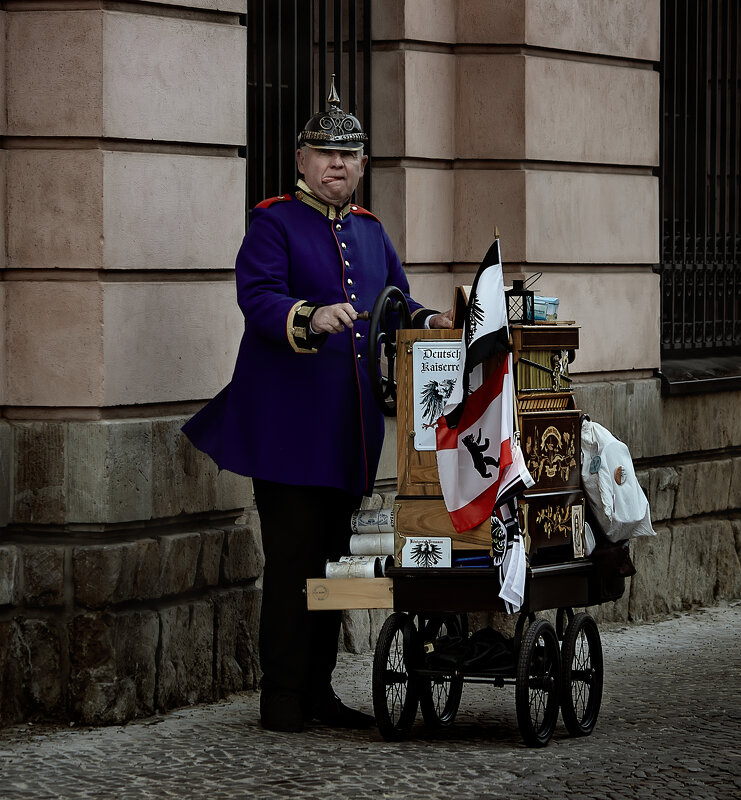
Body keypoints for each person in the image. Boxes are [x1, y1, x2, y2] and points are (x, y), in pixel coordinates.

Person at [183, 79, 452, 732]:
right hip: (287, 432)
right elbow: (259, 297)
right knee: (294, 567)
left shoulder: (370, 231)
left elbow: (394, 306)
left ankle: (320, 692)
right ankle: (281, 699)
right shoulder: (273, 222)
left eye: (349, 155)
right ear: (302, 161)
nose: (338, 164)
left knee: (338, 569)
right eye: (325, 153)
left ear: (363, 166)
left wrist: (432, 319)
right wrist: (309, 315)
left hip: (348, 434)